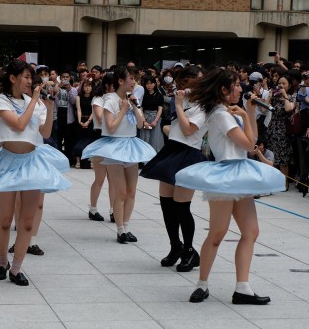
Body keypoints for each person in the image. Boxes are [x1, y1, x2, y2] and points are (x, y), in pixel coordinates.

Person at [175, 68, 286, 305]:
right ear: (224, 90)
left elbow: (252, 143)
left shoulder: (230, 112)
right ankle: (202, 284)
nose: (240, 88)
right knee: (217, 233)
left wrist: (249, 113)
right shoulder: (220, 114)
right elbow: (247, 145)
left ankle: (242, 287)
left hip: (240, 172)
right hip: (226, 174)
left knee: (250, 231)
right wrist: (247, 116)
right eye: (236, 85)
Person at [0, 60, 70, 286]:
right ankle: (2, 261)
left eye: (31, 78)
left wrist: (49, 107)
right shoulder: (1, 101)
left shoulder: (36, 103)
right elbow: (20, 125)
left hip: (32, 162)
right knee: (5, 220)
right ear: (12, 78)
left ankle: (16, 268)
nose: (29, 81)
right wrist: (34, 101)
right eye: (25, 77)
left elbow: (45, 132)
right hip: (7, 163)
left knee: (28, 222)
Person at [140, 66, 206, 272]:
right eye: (197, 80)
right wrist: (177, 107)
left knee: (182, 207)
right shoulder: (183, 100)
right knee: (166, 204)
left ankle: (189, 251)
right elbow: (171, 127)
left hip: (188, 153)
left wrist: (177, 105)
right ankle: (175, 246)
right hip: (172, 150)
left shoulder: (205, 105)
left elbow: (188, 130)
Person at [82, 66, 157, 243]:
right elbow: (110, 127)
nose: (134, 82)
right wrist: (123, 108)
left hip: (130, 145)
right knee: (121, 192)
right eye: (131, 78)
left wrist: (134, 106)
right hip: (114, 147)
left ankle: (127, 226)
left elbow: (140, 125)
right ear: (121, 81)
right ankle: (120, 230)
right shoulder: (110, 100)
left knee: (131, 191)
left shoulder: (133, 99)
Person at [87, 73, 115, 222]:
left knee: (113, 178)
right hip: (100, 136)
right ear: (107, 85)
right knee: (100, 177)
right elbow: (99, 118)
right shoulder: (98, 99)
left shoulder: (117, 99)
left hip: (113, 138)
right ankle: (93, 208)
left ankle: (113, 210)